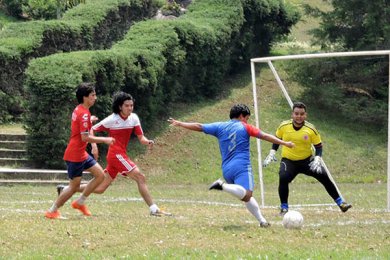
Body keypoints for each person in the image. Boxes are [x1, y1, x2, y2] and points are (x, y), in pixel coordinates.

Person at [168, 103, 295, 227]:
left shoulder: (220, 126)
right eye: (247, 118)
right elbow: (265, 136)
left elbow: (199, 126)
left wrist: (180, 123)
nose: (246, 121)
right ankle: (222, 185)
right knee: (247, 194)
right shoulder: (245, 127)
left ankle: (262, 221)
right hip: (241, 166)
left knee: (246, 197)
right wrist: (284, 143)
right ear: (241, 116)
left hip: (227, 169)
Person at [58, 91, 171, 216]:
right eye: (127, 105)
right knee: (140, 177)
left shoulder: (134, 118)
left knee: (101, 188)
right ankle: (154, 209)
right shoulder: (112, 119)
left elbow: (141, 138)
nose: (130, 108)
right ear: (119, 107)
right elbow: (91, 129)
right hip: (116, 155)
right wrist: (94, 146)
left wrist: (148, 142)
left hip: (120, 154)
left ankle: (66, 190)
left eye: (131, 105)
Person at [263, 101, 352, 215]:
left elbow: (318, 146)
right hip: (289, 161)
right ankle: (284, 208)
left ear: (305, 115)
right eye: (296, 113)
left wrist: (317, 158)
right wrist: (272, 152)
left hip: (307, 161)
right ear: (292, 114)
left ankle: (341, 204)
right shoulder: (283, 126)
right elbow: (277, 140)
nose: (299, 116)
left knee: (324, 176)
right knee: (283, 177)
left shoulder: (311, 129)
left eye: (301, 114)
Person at [45, 82, 115, 219]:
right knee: (73, 187)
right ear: (85, 97)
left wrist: (90, 120)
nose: (95, 98)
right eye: (92, 95)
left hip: (81, 153)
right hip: (75, 155)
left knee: (100, 176)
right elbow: (85, 137)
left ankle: (80, 202)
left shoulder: (80, 110)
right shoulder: (83, 114)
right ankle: (52, 211)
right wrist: (105, 140)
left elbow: (81, 125)